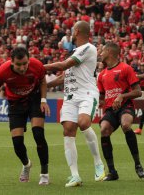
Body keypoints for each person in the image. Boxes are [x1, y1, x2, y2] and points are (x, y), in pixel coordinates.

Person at [45, 21, 105, 187]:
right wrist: (44, 85)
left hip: (86, 94)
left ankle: (98, 163)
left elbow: (64, 65)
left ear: (77, 31)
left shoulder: (88, 48)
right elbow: (64, 76)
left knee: (84, 122)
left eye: (72, 31)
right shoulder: (73, 52)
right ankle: (75, 175)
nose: (71, 33)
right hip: (70, 97)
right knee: (68, 130)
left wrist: (37, 67)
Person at [0, 47, 51, 185]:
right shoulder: (2, 71)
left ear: (28, 60)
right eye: (19, 64)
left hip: (34, 99)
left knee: (38, 134)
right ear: (11, 62)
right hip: (15, 103)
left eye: (25, 63)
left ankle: (44, 173)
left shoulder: (37, 65)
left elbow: (42, 81)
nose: (23, 67)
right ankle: (26, 164)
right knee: (17, 143)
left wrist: (43, 100)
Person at [97, 42, 144, 181]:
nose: (100, 54)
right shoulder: (101, 75)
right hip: (110, 110)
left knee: (126, 125)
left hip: (126, 107)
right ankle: (112, 171)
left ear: (109, 52)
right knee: (104, 130)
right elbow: (102, 97)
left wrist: (122, 96)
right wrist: (96, 103)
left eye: (102, 51)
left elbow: (138, 92)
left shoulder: (126, 68)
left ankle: (138, 165)